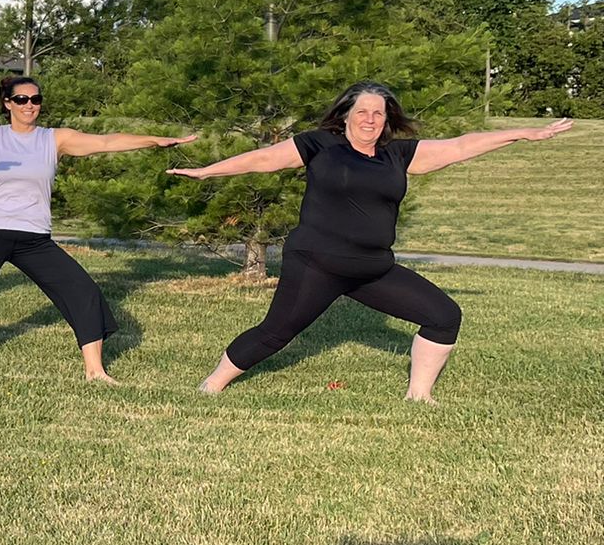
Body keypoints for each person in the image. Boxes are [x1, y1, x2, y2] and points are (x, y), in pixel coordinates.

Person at [172, 82, 572, 401]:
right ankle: (212, 385)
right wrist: (207, 172)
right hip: (317, 263)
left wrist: (523, 133)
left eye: (378, 113)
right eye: (362, 111)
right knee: (276, 332)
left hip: (373, 268)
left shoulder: (400, 155)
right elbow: (261, 159)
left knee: (444, 316)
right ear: (346, 115)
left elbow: (462, 145)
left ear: (387, 119)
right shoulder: (319, 145)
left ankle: (419, 397)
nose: (370, 119)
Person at [0, 75, 196, 382]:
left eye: (35, 99)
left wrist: (155, 140)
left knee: (83, 291)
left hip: (34, 236)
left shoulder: (55, 139)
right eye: (21, 99)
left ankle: (95, 371)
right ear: (7, 103)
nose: (29, 105)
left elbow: (105, 141)